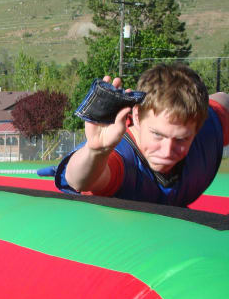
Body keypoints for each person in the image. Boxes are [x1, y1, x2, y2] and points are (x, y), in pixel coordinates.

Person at [55, 63, 229, 206]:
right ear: (137, 116)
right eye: (157, 135)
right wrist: (96, 151)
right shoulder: (122, 158)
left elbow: (223, 99)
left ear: (198, 127)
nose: (167, 151)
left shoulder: (210, 128)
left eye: (181, 139)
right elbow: (78, 181)